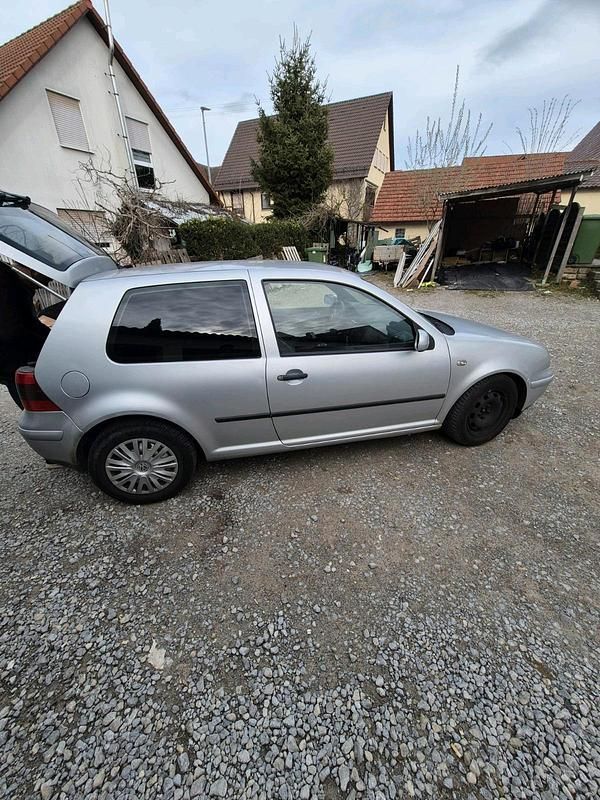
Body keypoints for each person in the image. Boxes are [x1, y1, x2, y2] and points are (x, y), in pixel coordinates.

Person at [0, 265, 51, 407]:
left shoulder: (13, 283)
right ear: (33, 271)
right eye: (44, 279)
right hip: (11, 357)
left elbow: (27, 323)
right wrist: (47, 342)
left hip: (12, 355)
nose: (44, 284)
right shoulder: (9, 286)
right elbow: (12, 330)